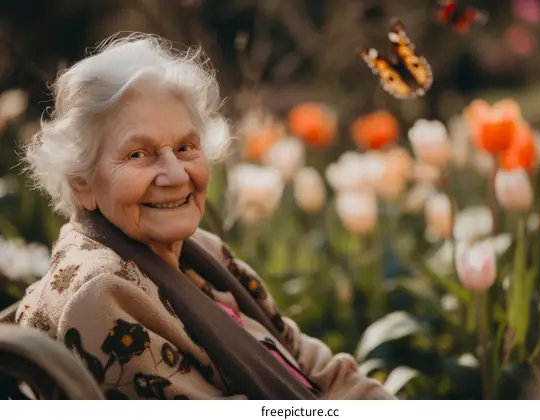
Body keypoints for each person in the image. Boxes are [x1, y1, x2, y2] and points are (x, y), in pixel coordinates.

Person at [16, 33, 395, 400]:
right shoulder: (102, 294)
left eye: (185, 147)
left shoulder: (200, 252)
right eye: (138, 154)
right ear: (82, 183)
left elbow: (315, 365)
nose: (176, 174)